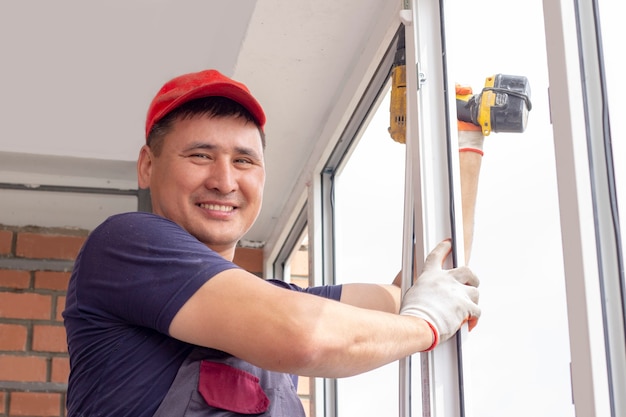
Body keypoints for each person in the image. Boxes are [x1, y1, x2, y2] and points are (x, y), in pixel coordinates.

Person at [63, 69, 481, 417]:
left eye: (243, 161)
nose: (224, 181)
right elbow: (305, 336)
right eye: (200, 156)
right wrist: (424, 326)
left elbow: (419, 288)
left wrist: (462, 144)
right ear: (147, 165)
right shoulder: (127, 245)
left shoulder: (281, 302)